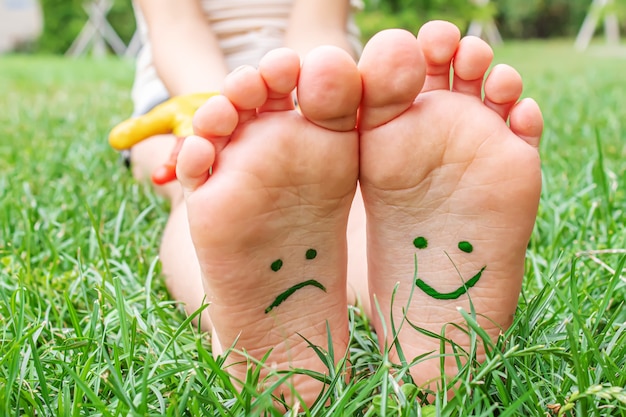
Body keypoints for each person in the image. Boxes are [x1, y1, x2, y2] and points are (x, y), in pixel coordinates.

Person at [109, 1, 544, 408]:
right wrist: (212, 114)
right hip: (182, 102)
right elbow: (176, 27)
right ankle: (391, 324)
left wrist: (316, 102)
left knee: (239, 194)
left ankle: (416, 325)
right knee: (213, 178)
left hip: (318, 99)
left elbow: (319, 26)